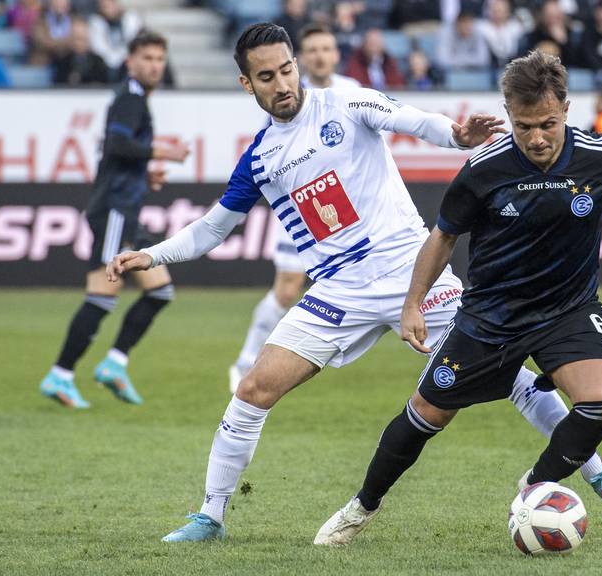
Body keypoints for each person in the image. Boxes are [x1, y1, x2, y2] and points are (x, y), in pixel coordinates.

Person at [106, 23, 602, 542]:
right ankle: (210, 516)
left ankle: (598, 473)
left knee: (510, 376)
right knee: (251, 390)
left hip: (415, 275)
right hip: (338, 292)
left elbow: (411, 119)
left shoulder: (346, 104)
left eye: (286, 70)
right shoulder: (261, 159)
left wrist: (454, 135)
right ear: (248, 84)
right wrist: (150, 254)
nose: (282, 84)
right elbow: (213, 229)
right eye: (266, 77)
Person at [314, 49, 602, 546]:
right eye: (524, 125)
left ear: (567, 111)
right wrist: (412, 306)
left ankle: (535, 490)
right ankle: (361, 506)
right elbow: (442, 237)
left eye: (547, 124)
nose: (536, 137)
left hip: (568, 309)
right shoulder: (482, 170)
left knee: (601, 402)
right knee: (426, 416)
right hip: (490, 317)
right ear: (509, 115)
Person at [39, 30, 190, 409]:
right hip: (115, 213)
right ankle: (60, 374)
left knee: (160, 291)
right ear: (131, 62)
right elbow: (118, 144)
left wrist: (145, 174)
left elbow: (117, 155)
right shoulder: (129, 100)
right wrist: (163, 153)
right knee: (103, 296)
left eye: (159, 58)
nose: (155, 65)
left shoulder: (136, 100)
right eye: (148, 58)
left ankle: (114, 364)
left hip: (126, 212)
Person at [227, 23, 361, 393]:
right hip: (305, 209)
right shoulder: (283, 97)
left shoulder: (351, 92)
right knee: (286, 291)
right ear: (301, 58)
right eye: (313, 49)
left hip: (352, 216)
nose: (320, 55)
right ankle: (244, 363)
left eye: (327, 48)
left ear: (335, 54)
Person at [89, 0, 142, 78]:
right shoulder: (95, 22)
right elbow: (99, 47)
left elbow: (132, 41)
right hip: (104, 65)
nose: (107, 9)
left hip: (127, 60)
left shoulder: (131, 18)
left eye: (109, 4)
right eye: (104, 6)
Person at [52, 17, 110, 86]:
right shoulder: (61, 63)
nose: (79, 43)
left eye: (82, 38)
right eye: (76, 38)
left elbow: (104, 86)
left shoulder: (98, 62)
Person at [476, 0, 524, 67]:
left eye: (501, 11)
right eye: (495, 11)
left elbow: (514, 52)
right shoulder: (481, 27)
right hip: (487, 66)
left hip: (512, 65)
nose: (498, 14)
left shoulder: (515, 27)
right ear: (489, 11)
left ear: (507, 12)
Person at [31, 0, 74, 65]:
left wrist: (55, 42)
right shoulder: (41, 20)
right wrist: (65, 43)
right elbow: (42, 42)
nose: (59, 4)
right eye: (57, 2)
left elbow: (76, 41)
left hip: (68, 61)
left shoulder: (74, 21)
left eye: (62, 2)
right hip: (46, 61)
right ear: (50, 4)